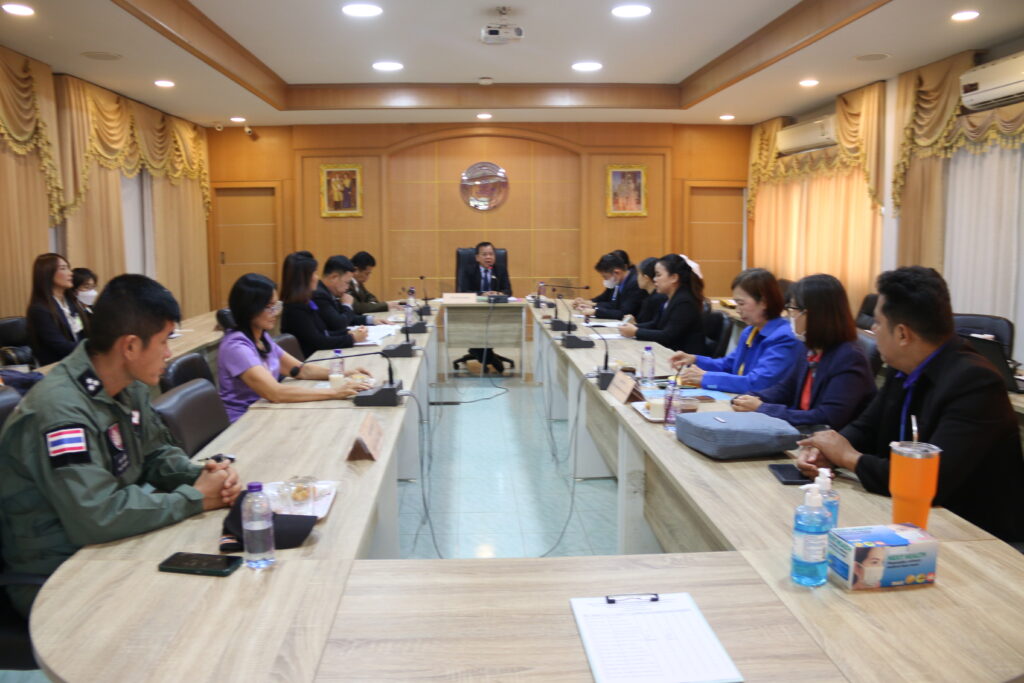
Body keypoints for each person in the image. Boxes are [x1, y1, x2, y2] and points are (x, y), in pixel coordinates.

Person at [0, 274, 242, 617]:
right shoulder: (60, 412)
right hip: (57, 574)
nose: (169, 353)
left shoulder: (127, 386)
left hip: (111, 546)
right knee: (197, 609)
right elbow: (96, 514)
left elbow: (154, 453)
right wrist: (195, 497)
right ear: (129, 346)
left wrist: (200, 476)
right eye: (163, 342)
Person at [796, 266, 1024, 542]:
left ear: (903, 334)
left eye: (878, 323)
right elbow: (866, 427)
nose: (872, 330)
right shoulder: (903, 366)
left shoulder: (975, 383)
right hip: (908, 517)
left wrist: (848, 458)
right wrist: (826, 450)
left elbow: (931, 481)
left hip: (974, 536)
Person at [219, 273, 372, 422]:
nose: (275, 313)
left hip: (268, 411)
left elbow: (301, 370)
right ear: (249, 309)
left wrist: (345, 373)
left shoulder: (261, 337)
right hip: (245, 421)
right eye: (268, 307)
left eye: (276, 305)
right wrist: (334, 392)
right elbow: (275, 393)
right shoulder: (237, 347)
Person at [731, 274, 876, 429]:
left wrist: (762, 408)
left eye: (793, 309)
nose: (790, 316)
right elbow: (785, 389)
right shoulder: (809, 346)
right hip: (801, 431)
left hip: (825, 437)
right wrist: (751, 398)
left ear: (814, 314)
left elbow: (827, 417)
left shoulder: (849, 357)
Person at [670, 267, 801, 394]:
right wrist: (695, 359)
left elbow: (758, 383)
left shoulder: (784, 337)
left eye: (741, 303)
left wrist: (706, 378)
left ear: (764, 302)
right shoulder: (750, 331)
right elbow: (728, 364)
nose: (738, 310)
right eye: (736, 303)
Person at [280, 252, 369, 358]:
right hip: (311, 360)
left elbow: (324, 333)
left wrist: (348, 333)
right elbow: (319, 342)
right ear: (303, 279)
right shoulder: (295, 308)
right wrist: (352, 338)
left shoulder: (305, 302)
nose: (317, 278)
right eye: (314, 273)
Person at [619, 254, 705, 353]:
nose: (654, 279)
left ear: (674, 278)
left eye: (658, 275)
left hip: (684, 357)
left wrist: (636, 332)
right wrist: (633, 327)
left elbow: (668, 336)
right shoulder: (671, 298)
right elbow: (655, 324)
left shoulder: (684, 302)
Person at [455, 242, 513, 373]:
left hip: (496, 312)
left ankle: (480, 352)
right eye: (484, 254)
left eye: (491, 254)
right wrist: (482, 294)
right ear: (477, 257)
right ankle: (486, 355)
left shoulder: (500, 269)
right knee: (478, 327)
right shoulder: (468, 270)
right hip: (473, 312)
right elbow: (463, 291)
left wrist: (498, 293)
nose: (488, 257)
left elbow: (508, 291)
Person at [26, 253, 91, 366]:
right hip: (56, 366)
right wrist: (93, 348)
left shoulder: (71, 302)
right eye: (63, 268)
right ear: (48, 274)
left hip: (78, 361)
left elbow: (82, 333)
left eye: (68, 268)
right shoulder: (39, 309)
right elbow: (60, 346)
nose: (70, 273)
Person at [573, 252, 645, 320]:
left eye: (605, 277)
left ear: (617, 272)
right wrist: (593, 307)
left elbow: (624, 313)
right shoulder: (620, 281)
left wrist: (596, 312)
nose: (605, 280)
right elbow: (613, 305)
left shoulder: (634, 283)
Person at [314, 255, 377, 331]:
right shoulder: (319, 295)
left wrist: (371, 320)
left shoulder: (330, 292)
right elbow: (338, 324)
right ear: (334, 277)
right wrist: (347, 305)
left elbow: (347, 317)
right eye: (347, 282)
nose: (348, 287)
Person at [632, 257, 666, 324]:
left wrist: (634, 325)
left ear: (646, 278)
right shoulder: (647, 295)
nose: (636, 278)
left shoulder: (657, 299)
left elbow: (652, 325)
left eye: (638, 274)